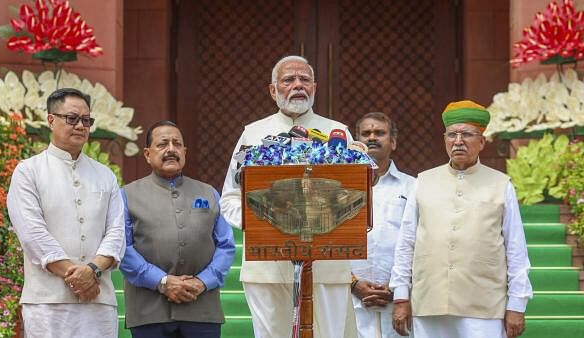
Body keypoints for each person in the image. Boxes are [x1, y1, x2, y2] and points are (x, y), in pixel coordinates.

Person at [221, 55, 357, 338]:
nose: (298, 85)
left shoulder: (337, 133)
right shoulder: (253, 134)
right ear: (273, 90)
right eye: (288, 80)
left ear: (315, 87)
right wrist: (263, 222)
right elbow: (230, 199)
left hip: (326, 267)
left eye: (304, 79)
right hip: (267, 267)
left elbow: (355, 195)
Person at [389, 100, 533, 338]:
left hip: (484, 304)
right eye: (452, 134)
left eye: (467, 134)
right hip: (429, 300)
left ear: (482, 142)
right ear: (444, 139)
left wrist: (517, 304)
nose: (458, 141)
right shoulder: (422, 182)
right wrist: (401, 296)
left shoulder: (501, 184)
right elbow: (406, 243)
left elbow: (516, 249)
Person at [7, 88, 125, 338]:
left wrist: (91, 271)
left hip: (98, 300)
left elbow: (117, 233)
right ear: (51, 120)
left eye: (86, 120)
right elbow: (32, 235)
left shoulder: (105, 175)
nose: (80, 126)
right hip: (47, 302)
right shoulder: (28, 171)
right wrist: (78, 278)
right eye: (72, 118)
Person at [119, 120, 235, 338]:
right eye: (162, 144)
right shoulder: (127, 195)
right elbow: (122, 248)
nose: (171, 149)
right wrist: (162, 281)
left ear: (185, 151)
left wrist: (202, 282)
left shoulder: (208, 193)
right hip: (148, 310)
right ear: (147, 154)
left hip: (201, 307)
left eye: (176, 144)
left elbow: (226, 246)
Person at [351, 112, 415, 338]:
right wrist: (354, 284)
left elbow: (419, 243)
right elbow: (328, 242)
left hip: (399, 299)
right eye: (365, 133)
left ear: (393, 142)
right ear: (355, 143)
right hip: (349, 297)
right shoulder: (340, 187)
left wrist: (398, 288)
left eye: (379, 133)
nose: (372, 138)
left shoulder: (413, 188)